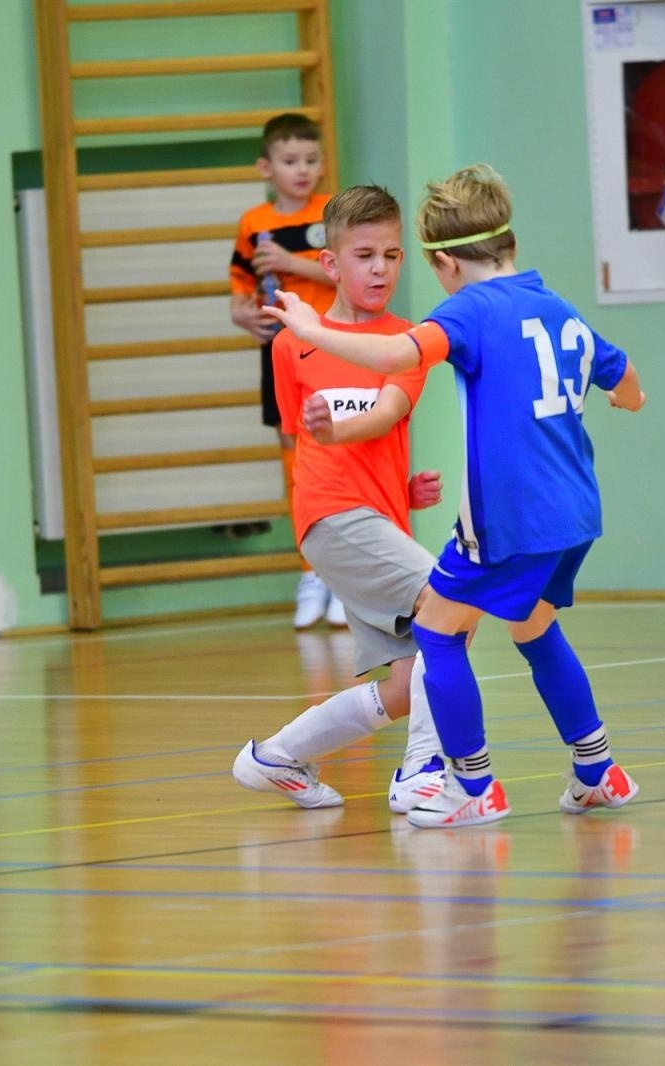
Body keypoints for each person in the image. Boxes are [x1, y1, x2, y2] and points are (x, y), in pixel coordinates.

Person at [266, 164, 647, 829]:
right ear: (513, 247)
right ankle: (598, 773)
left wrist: (309, 326)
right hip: (577, 515)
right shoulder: (557, 308)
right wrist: (623, 399)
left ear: (443, 264)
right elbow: (628, 382)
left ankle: (470, 788)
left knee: (438, 630)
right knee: (534, 627)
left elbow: (393, 358)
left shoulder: (466, 310)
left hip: (509, 519)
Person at [231, 184, 446, 812]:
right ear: (330, 262)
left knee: (407, 685)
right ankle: (421, 771)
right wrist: (336, 443)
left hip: (379, 522)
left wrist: (399, 491)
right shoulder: (291, 344)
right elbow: (312, 445)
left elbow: (382, 418)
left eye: (391, 254)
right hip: (329, 518)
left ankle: (274, 758)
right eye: (363, 255)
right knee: (449, 603)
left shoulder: (409, 341)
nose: (379, 268)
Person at [228, 113, 343, 629]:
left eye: (311, 160)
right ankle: (311, 569)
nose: (303, 170)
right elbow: (240, 280)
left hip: (330, 348)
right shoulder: (254, 222)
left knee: (339, 455)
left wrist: (296, 265)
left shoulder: (332, 214)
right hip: (279, 353)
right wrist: (241, 311)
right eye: (290, 161)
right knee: (296, 461)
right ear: (265, 168)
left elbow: (346, 269)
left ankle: (345, 575)